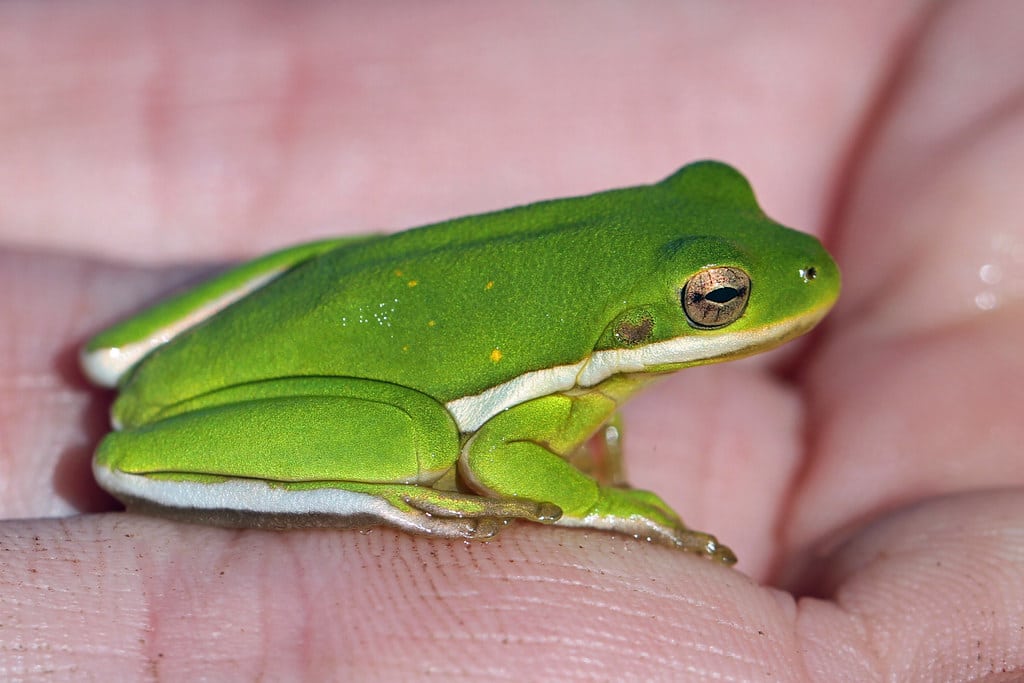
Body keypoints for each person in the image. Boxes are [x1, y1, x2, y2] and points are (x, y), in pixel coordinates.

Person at [1, 3, 1021, 679]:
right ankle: (369, 487)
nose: (751, 291)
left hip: (294, 300)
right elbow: (499, 452)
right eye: (717, 295)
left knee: (341, 263)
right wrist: (603, 501)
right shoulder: (569, 384)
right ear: (643, 323)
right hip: (290, 401)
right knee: (421, 439)